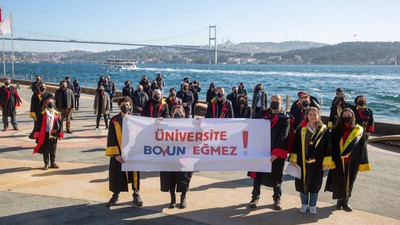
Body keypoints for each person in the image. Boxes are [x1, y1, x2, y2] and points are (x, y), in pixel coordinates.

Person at [325, 108, 371, 212]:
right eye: (344, 115)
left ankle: (345, 202)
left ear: (353, 116)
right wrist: (329, 160)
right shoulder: (335, 131)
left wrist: (363, 162)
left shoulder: (358, 131)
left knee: (350, 182)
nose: (347, 117)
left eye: (349, 115)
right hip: (338, 160)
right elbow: (330, 147)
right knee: (339, 180)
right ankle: (339, 201)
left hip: (353, 161)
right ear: (341, 117)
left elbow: (363, 148)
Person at [249, 94, 290, 210]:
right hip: (261, 151)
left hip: (276, 153)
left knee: (277, 177)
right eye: (272, 100)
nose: (274, 102)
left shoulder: (285, 118)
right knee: (258, 175)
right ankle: (255, 197)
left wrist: (276, 152)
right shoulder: (262, 114)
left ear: (281, 103)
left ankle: (277, 198)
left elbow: (284, 136)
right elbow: (251, 125)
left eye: (277, 101)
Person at [289, 107, 331, 215]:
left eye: (315, 114)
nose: (313, 116)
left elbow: (328, 147)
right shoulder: (301, 129)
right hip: (302, 161)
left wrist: (326, 162)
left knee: (315, 183)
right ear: (307, 116)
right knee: (302, 183)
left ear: (319, 116)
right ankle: (303, 204)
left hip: (317, 162)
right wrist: (293, 158)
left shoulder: (324, 130)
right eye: (310, 114)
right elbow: (295, 144)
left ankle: (312, 205)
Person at [105, 96, 143, 207]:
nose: (125, 107)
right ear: (119, 106)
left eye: (127, 105)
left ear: (131, 106)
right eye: (123, 105)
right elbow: (111, 137)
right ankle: (115, 195)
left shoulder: (136, 119)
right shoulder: (114, 121)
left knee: (134, 174)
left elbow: (147, 130)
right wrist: (116, 155)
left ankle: (136, 194)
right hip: (118, 152)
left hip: (133, 153)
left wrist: (158, 121)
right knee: (116, 175)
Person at [160, 105, 193, 208]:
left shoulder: (190, 125)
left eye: (180, 112)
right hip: (170, 156)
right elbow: (157, 135)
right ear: (172, 114)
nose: (178, 114)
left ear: (184, 114)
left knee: (184, 178)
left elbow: (199, 137)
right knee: (171, 178)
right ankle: (172, 198)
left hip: (185, 157)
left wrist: (199, 124)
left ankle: (183, 197)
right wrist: (158, 123)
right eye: (176, 112)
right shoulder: (166, 125)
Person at [33, 97, 64, 170]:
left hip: (54, 133)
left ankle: (53, 162)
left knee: (53, 148)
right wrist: (37, 135)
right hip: (45, 133)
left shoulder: (58, 114)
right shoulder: (41, 113)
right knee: (45, 149)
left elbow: (61, 125)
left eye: (52, 102)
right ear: (46, 104)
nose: (51, 104)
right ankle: (46, 163)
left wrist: (60, 135)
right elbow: (37, 124)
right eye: (49, 102)